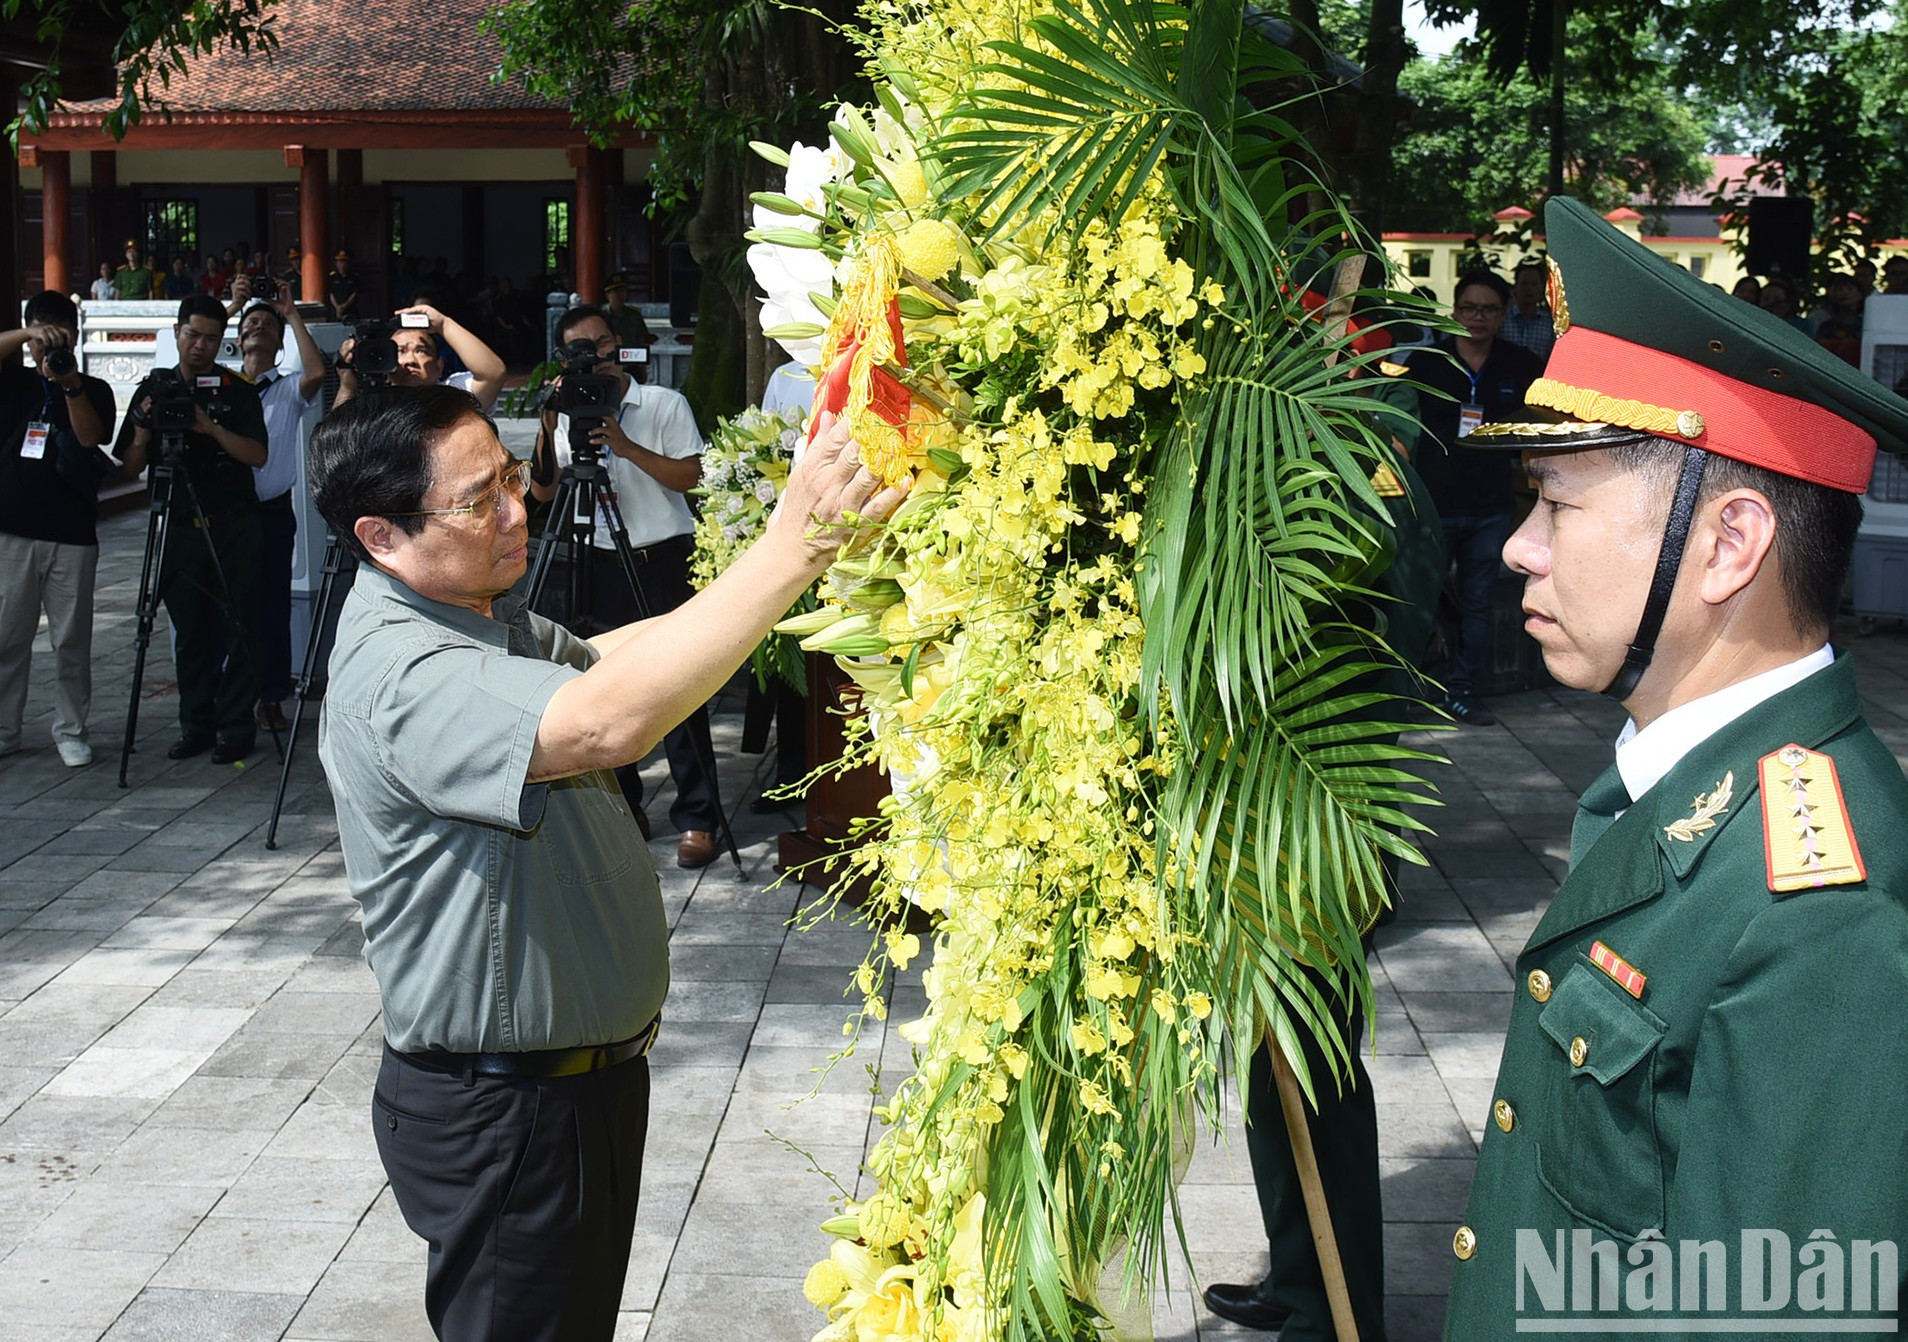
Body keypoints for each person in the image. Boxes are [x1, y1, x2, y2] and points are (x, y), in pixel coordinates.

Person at [307, 384, 901, 1342]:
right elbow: (606, 720)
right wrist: (794, 540)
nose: (517, 509)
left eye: (510, 477)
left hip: (565, 1092)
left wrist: (787, 569)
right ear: (380, 535)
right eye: (477, 501)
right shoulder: (403, 673)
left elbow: (609, 659)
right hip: (505, 1112)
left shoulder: (474, 615)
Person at [1443, 197, 1908, 1336]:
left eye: (1556, 504)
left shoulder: (1820, 912)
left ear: (1731, 543)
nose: (1520, 547)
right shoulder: (1665, 787)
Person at [1202, 305, 1446, 1342]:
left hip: (1317, 787)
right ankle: (1301, 1276)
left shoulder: (1364, 426)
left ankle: (1338, 1313)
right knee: (1273, 1057)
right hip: (1263, 782)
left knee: (1312, 1058)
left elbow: (1381, 593)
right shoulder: (1286, 419)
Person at [529, 304, 720, 867]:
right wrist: (548, 423)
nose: (595, 357)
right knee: (605, 685)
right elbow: (542, 495)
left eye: (601, 344)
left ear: (619, 344)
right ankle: (626, 809)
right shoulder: (566, 414)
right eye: (579, 349)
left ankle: (698, 817)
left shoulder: (663, 403)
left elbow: (694, 476)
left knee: (680, 686)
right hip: (600, 558)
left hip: (660, 557)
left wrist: (625, 445)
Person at [113, 293, 270, 764]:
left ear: (221, 341)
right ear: (178, 332)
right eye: (192, 334)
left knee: (240, 625)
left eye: (210, 338)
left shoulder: (234, 389)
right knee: (190, 631)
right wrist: (143, 431)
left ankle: (235, 727)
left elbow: (258, 456)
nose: (199, 345)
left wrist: (211, 429)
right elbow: (129, 467)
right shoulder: (154, 390)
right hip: (179, 526)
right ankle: (196, 724)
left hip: (232, 525)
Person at [1400, 270, 1542, 726]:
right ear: (1455, 311)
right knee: (1420, 598)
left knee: (1479, 600)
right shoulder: (1426, 362)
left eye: (1488, 309)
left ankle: (1462, 691)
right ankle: (1413, 689)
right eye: (1468, 308)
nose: (1477, 317)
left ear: (1502, 315)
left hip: (1489, 504)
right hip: (1434, 502)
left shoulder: (1519, 363)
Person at [0, 291, 117, 766]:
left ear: (75, 334)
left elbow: (90, 436)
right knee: (7, 637)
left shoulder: (94, 388)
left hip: (72, 532)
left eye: (58, 334)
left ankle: (71, 729)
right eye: (39, 334)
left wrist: (68, 385)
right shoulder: (12, 383)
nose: (47, 346)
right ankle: (5, 729)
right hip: (11, 528)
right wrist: (28, 335)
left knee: (70, 640)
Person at [232, 280, 326, 733]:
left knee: (271, 609)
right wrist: (233, 303)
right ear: (239, 338)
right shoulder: (223, 387)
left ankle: (271, 697)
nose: (258, 328)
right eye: (250, 323)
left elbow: (317, 373)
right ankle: (229, 696)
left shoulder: (288, 389)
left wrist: (289, 313)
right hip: (226, 513)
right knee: (232, 604)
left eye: (267, 325)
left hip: (269, 515)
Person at [334, 303, 505, 412]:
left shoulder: (454, 396)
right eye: (400, 351)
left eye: (421, 351)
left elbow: (493, 373)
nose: (410, 361)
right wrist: (347, 386)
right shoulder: (375, 405)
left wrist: (444, 325)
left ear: (439, 366)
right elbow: (336, 444)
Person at [1500, 257, 1555, 362]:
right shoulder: (1502, 318)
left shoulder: (1550, 323)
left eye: (1534, 284)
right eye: (1524, 284)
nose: (1529, 289)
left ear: (1542, 289)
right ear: (1515, 287)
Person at [602, 271, 654, 350]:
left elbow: (644, 339)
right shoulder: (601, 317)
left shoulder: (634, 316)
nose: (621, 295)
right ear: (608, 295)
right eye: (616, 292)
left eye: (623, 291)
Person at [327, 250, 360, 322]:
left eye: (344, 262)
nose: (342, 265)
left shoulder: (354, 277)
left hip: (350, 310)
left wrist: (344, 306)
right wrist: (337, 308)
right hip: (336, 310)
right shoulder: (332, 277)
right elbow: (331, 294)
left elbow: (354, 294)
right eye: (339, 262)